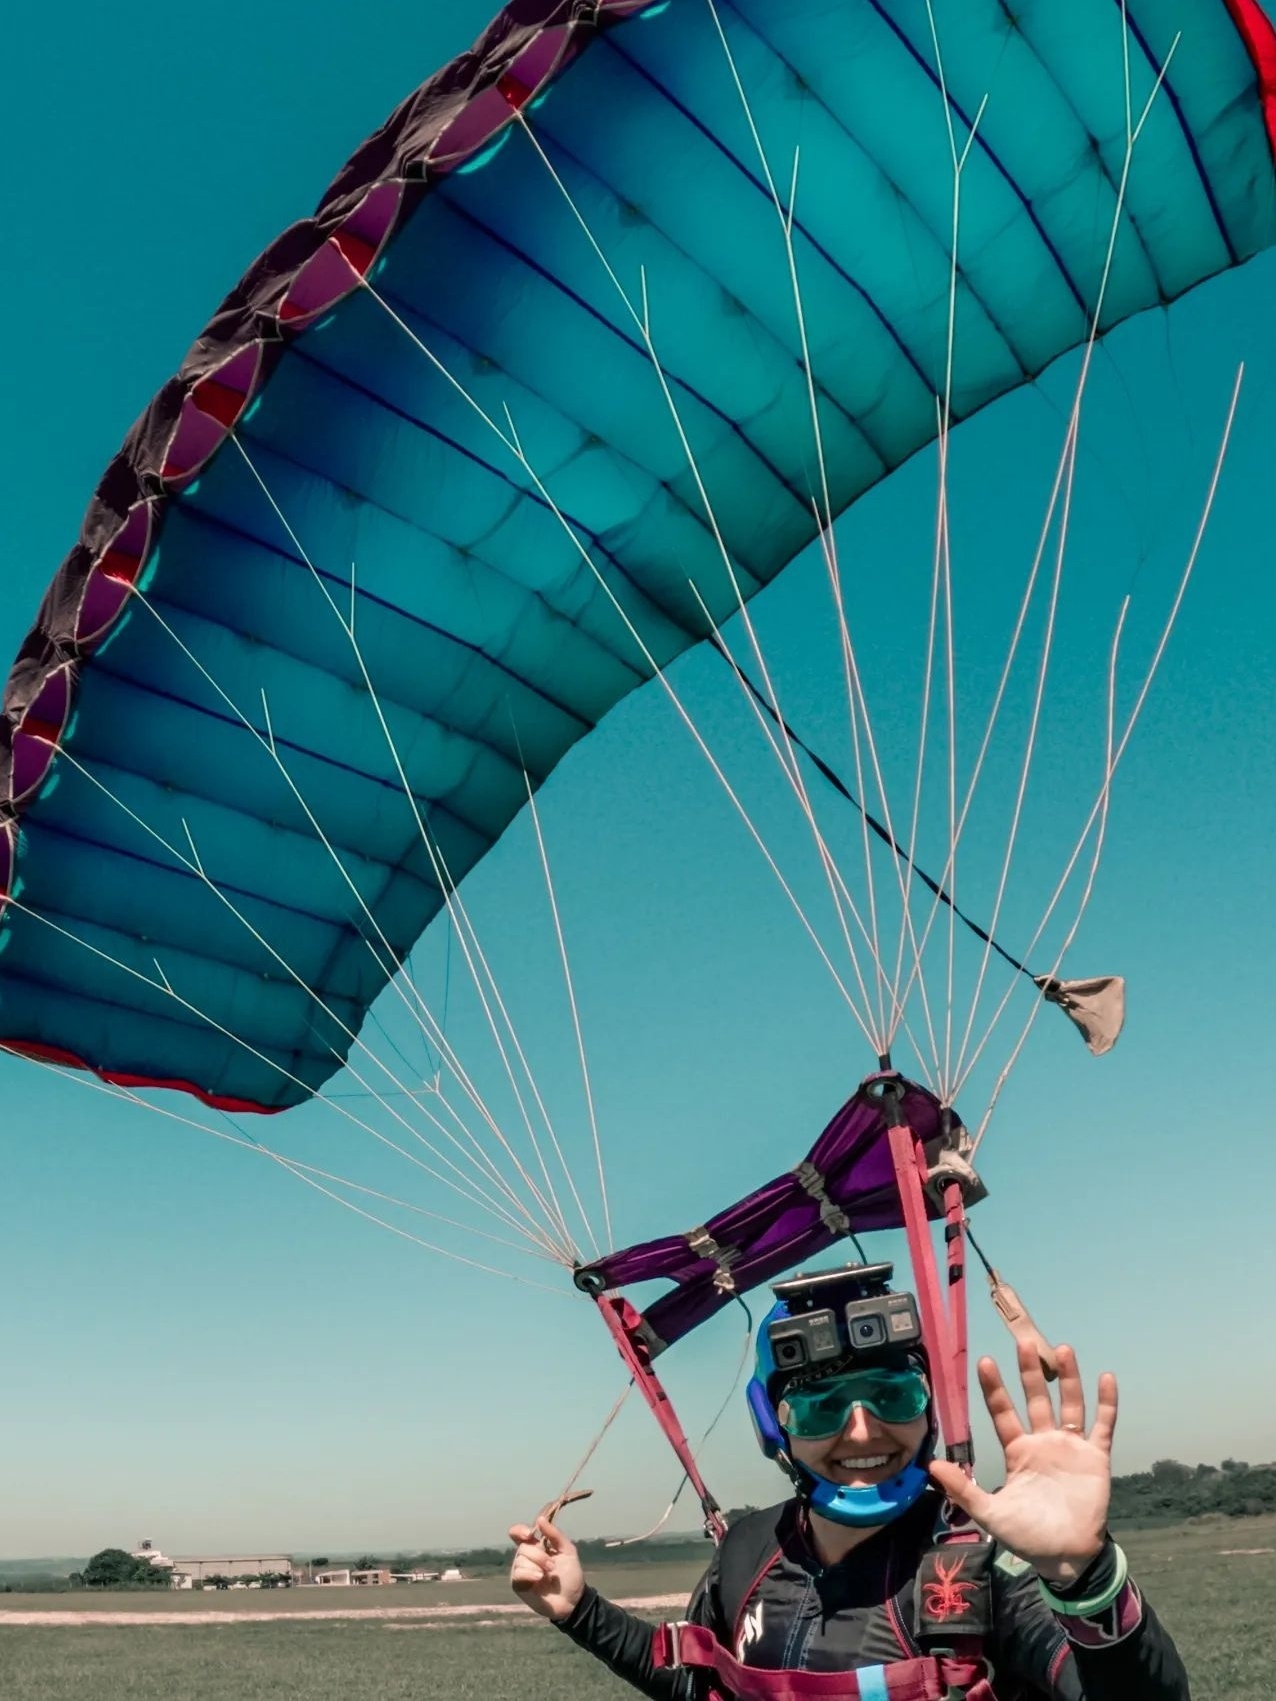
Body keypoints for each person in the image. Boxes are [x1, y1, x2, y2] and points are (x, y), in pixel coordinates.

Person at [509, 1279, 1190, 1700]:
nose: (862, 1430)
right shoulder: (749, 1549)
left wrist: (1083, 1575)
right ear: (774, 1425)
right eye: (821, 1407)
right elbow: (704, 1684)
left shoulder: (984, 1566)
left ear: (931, 1409)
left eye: (892, 1394)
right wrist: (580, 1610)